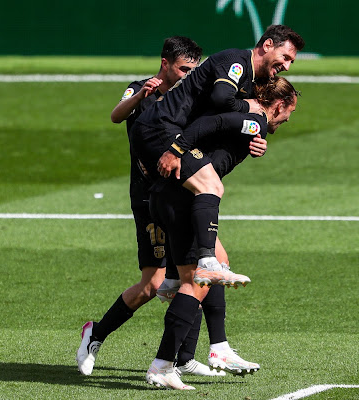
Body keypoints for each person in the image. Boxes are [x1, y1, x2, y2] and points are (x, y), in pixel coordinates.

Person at [76, 36, 262, 379]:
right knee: (152, 285)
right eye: (182, 69)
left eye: (193, 69)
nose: (188, 75)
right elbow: (117, 116)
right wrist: (139, 97)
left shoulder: (188, 98)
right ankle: (96, 334)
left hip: (178, 191)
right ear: (165, 64)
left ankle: (188, 357)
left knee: (207, 270)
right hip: (149, 197)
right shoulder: (143, 90)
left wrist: (251, 135)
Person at [145, 76, 300, 390]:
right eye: (289, 112)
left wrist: (255, 140)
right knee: (196, 284)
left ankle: (219, 348)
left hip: (172, 197)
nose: (287, 119)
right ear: (279, 105)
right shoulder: (253, 118)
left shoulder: (254, 124)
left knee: (219, 260)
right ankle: (162, 364)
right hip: (178, 201)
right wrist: (177, 149)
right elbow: (207, 126)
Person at [131, 25, 305, 287]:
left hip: (170, 130)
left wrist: (258, 140)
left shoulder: (251, 79)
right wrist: (247, 106)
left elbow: (230, 121)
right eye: (286, 57)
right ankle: (207, 263)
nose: (287, 66)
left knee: (186, 195)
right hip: (161, 127)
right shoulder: (236, 60)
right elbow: (223, 99)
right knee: (210, 185)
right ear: (268, 45)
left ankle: (173, 278)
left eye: (291, 62)